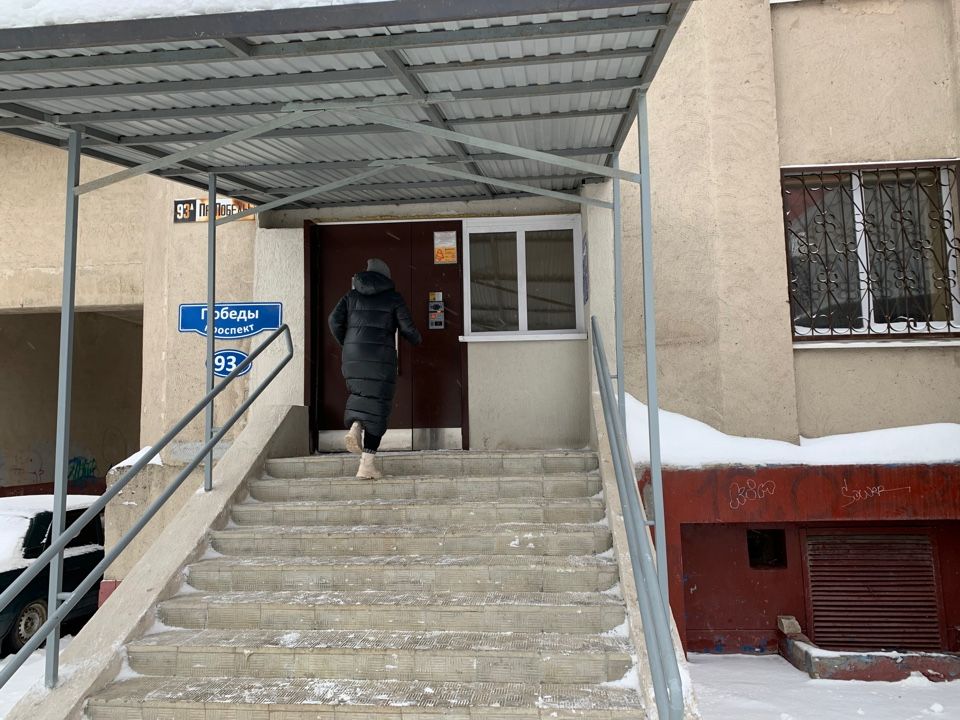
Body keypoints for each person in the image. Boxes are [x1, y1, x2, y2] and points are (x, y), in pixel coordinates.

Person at [328, 258, 422, 479]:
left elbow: (333, 320)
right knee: (378, 406)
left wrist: (348, 343)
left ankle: (356, 425)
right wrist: (417, 339)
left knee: (360, 395)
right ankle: (366, 465)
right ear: (386, 277)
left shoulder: (351, 296)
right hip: (380, 357)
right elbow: (407, 328)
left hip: (353, 356)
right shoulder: (393, 298)